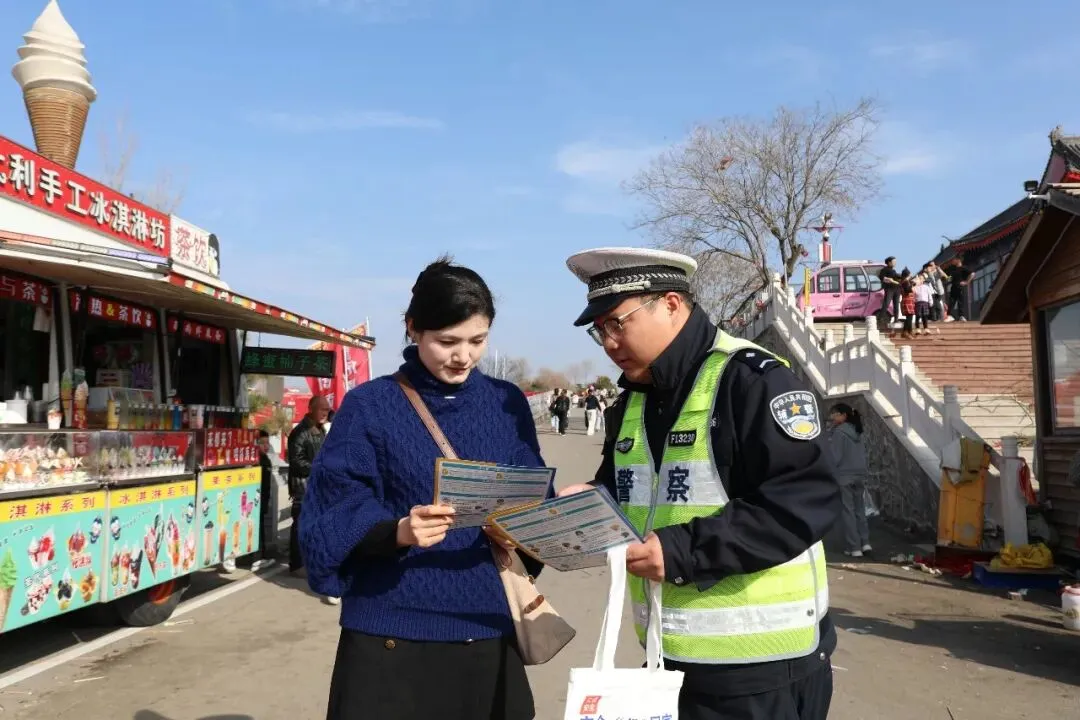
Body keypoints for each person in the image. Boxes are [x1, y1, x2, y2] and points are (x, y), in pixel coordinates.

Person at [559, 247, 840, 720]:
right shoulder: (633, 401)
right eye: (599, 330)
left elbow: (803, 499)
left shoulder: (751, 380)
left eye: (616, 324)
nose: (608, 342)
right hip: (667, 662)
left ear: (670, 304)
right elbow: (627, 490)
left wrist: (680, 551)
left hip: (760, 672)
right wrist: (591, 499)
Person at [299, 257, 547, 720]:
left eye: (478, 340)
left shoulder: (506, 403)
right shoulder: (370, 405)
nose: (463, 356)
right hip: (390, 635)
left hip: (485, 624)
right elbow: (332, 510)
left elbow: (532, 492)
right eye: (447, 341)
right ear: (413, 328)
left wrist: (540, 519)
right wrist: (398, 531)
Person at [287, 395, 330, 582]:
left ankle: (311, 562)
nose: (325, 413)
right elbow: (296, 462)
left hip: (317, 487)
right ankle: (297, 565)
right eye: (322, 409)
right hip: (303, 488)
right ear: (311, 409)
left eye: (327, 410)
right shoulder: (300, 432)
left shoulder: (321, 431)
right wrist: (319, 468)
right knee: (300, 526)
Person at [827, 403, 872, 558]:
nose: (832, 417)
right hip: (859, 475)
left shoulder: (839, 433)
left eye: (835, 414)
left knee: (848, 512)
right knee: (860, 510)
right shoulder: (858, 431)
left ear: (844, 415)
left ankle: (854, 547)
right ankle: (865, 542)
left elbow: (835, 457)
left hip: (844, 476)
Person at [878, 256, 902, 325]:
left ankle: (896, 319)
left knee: (896, 305)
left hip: (897, 289)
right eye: (894, 262)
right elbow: (881, 277)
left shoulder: (894, 271)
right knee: (886, 303)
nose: (895, 263)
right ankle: (880, 318)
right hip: (889, 289)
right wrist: (889, 280)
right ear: (889, 262)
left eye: (895, 262)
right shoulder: (884, 269)